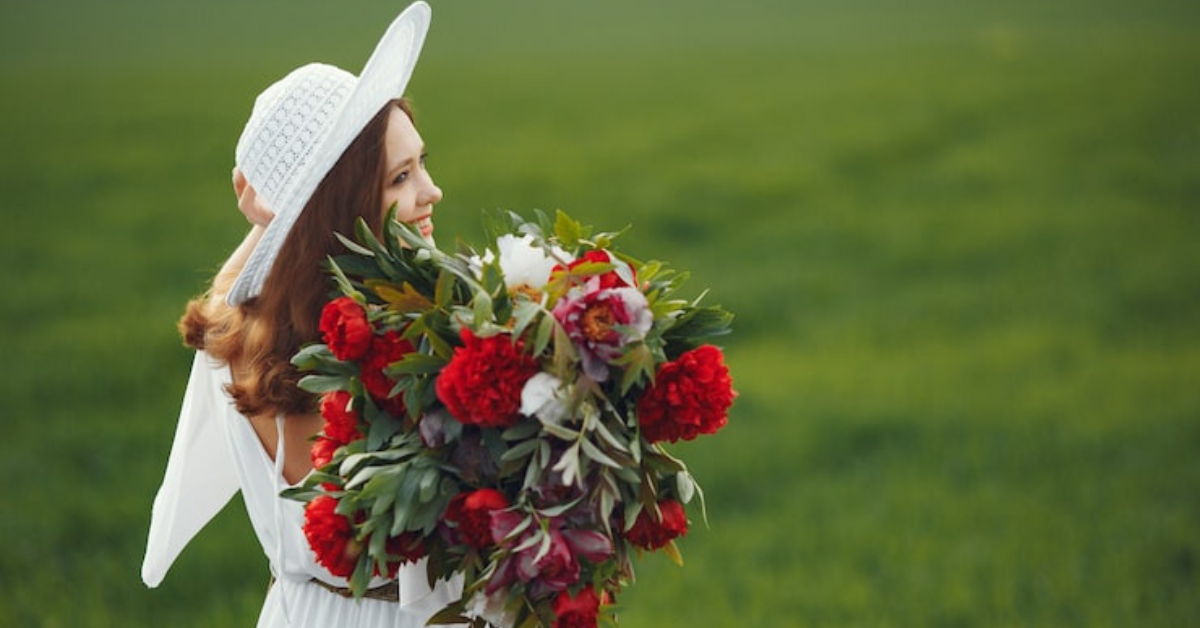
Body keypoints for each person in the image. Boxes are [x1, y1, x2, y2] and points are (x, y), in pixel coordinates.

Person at [141, 3, 466, 626]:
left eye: (421, 162)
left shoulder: (236, 328)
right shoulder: (391, 351)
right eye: (400, 177)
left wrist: (275, 207)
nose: (431, 191)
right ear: (339, 207)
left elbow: (259, 243)